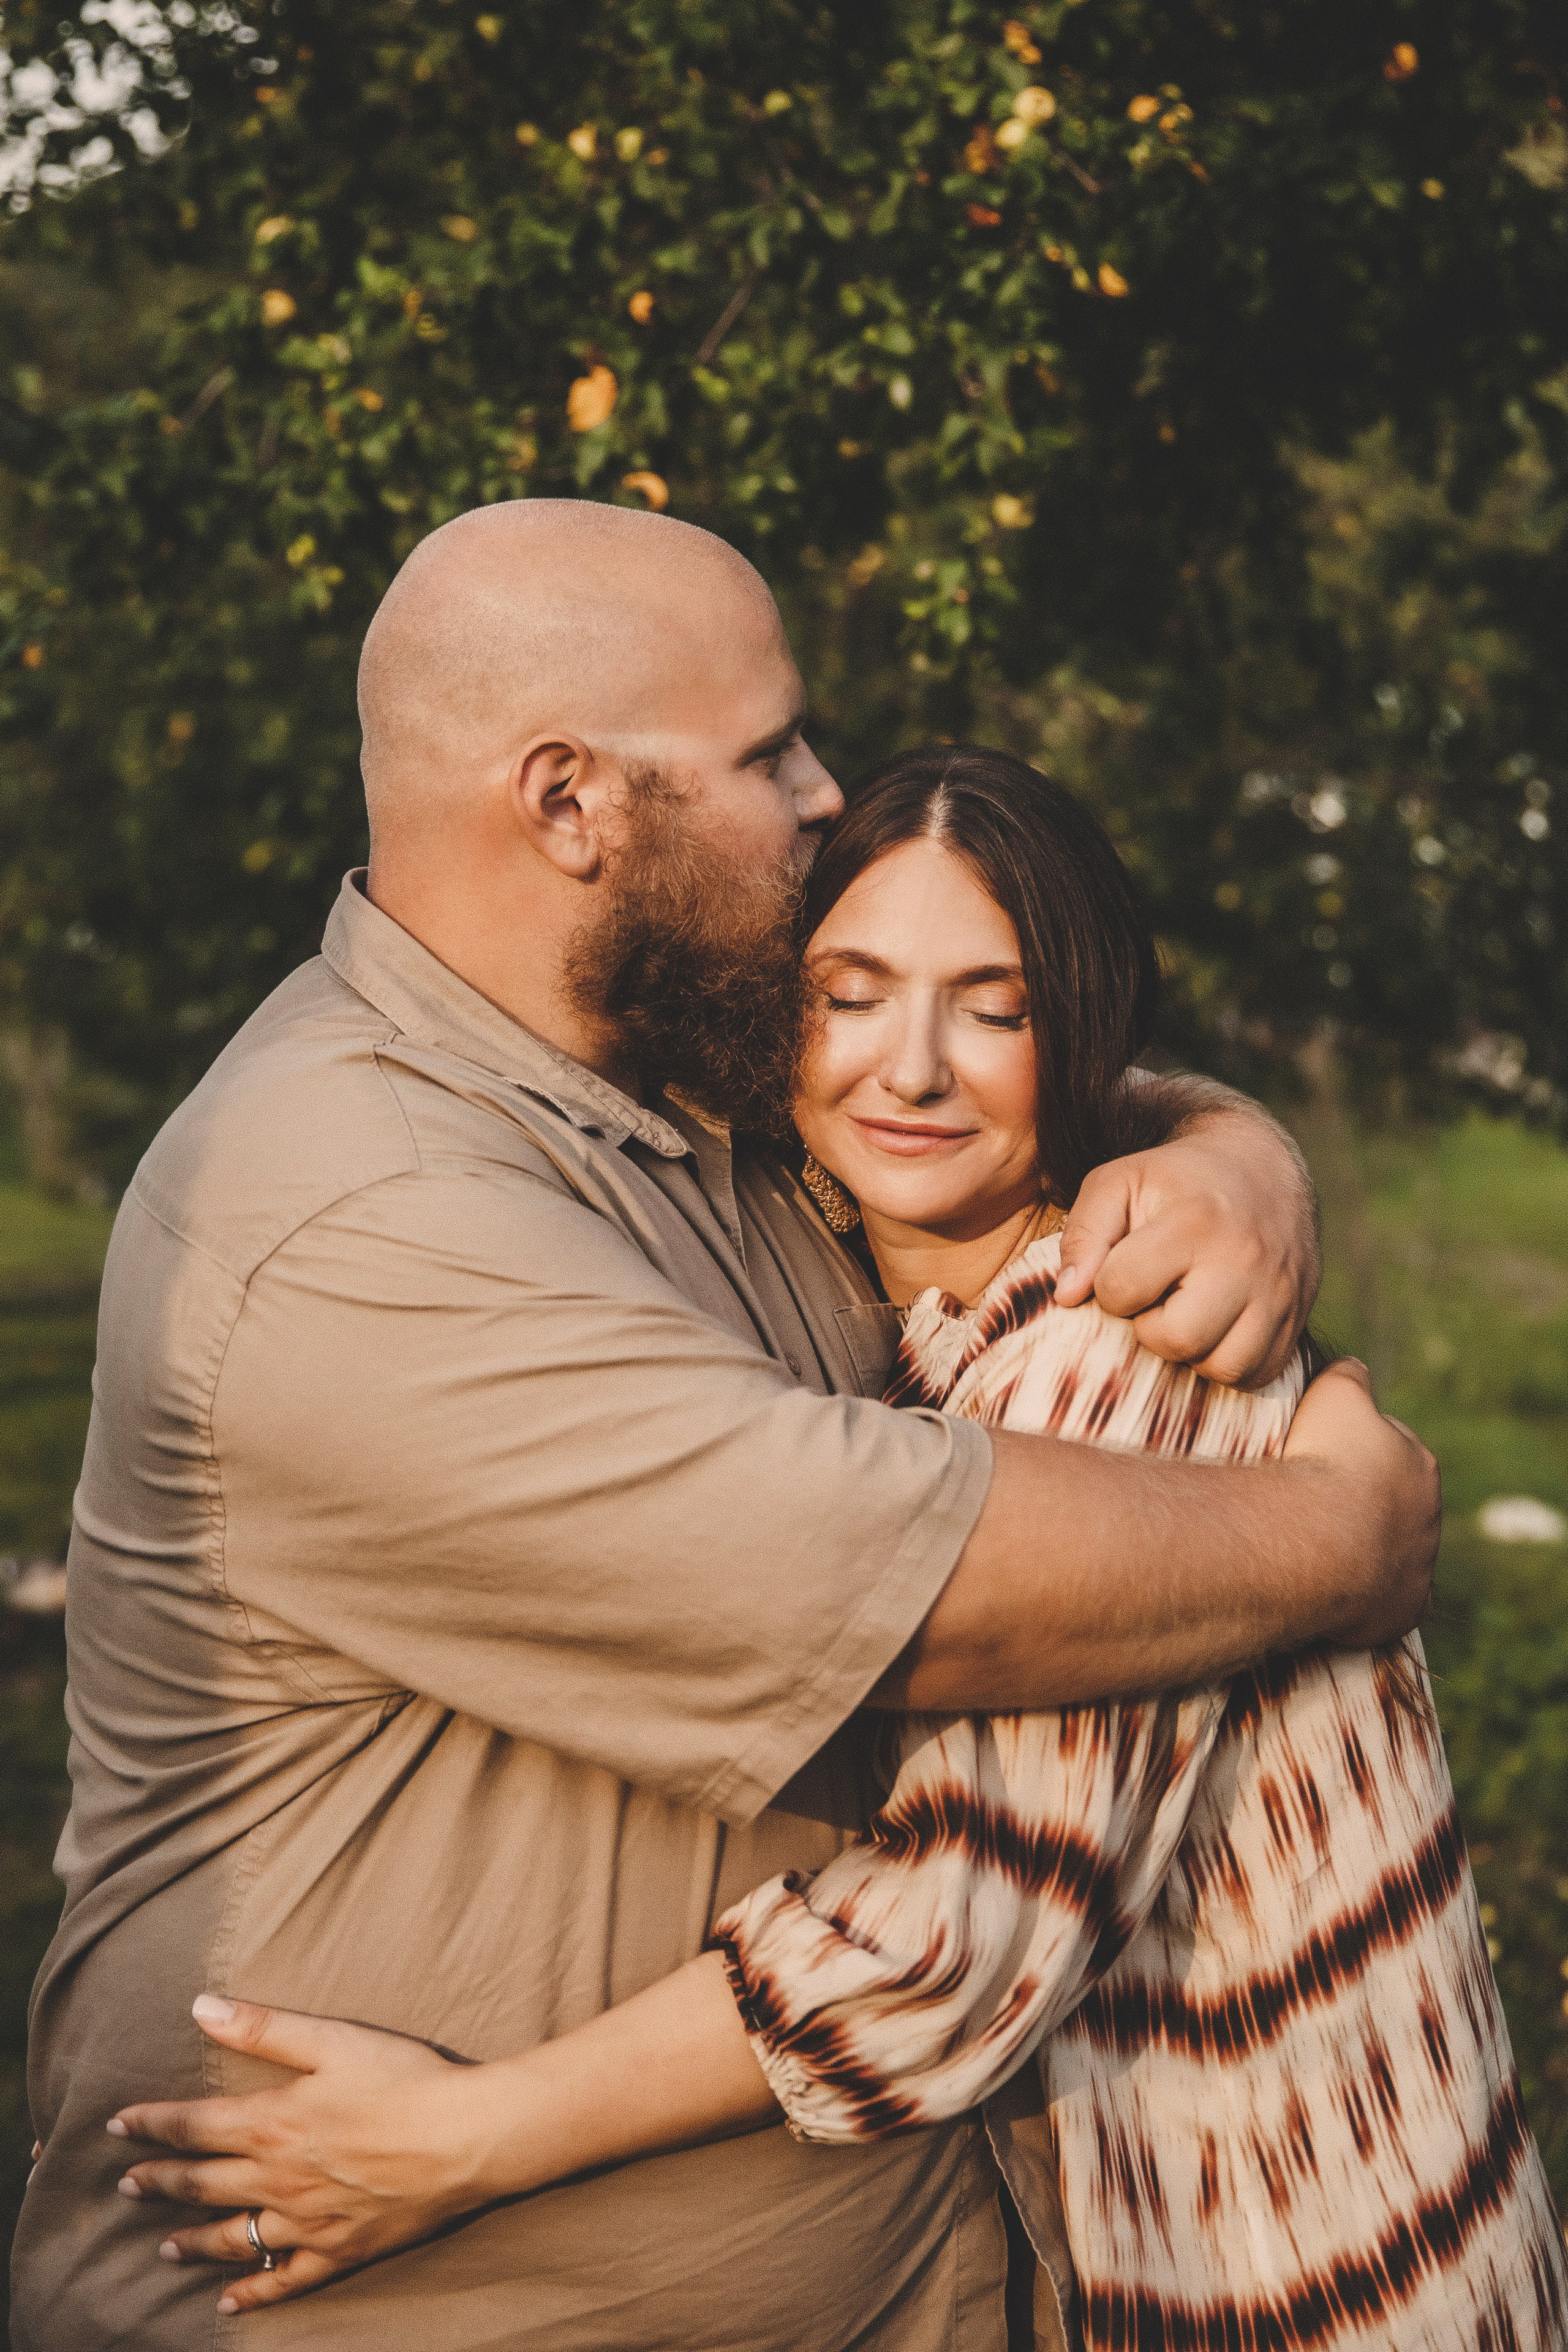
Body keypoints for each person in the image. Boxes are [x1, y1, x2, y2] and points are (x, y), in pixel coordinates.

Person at [13, 505, 1438, 2352]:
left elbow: (986, 1086)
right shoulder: (354, 1213)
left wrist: (1233, 1155)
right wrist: (1352, 1533)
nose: (826, 796)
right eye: (769, 753)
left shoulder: (672, 1073)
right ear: (571, 802)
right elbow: (934, 1593)